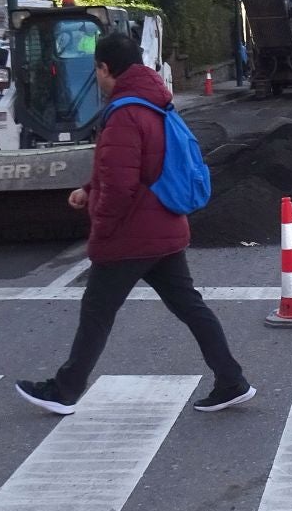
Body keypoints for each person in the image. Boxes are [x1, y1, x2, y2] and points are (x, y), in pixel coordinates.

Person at [14, 31, 255, 416]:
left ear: (106, 68)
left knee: (97, 311)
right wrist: (89, 188)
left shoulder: (125, 113)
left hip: (132, 234)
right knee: (191, 307)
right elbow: (130, 167)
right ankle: (231, 381)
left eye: (98, 71)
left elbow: (121, 186)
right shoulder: (155, 103)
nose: (98, 79)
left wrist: (101, 229)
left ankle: (65, 390)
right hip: (163, 227)